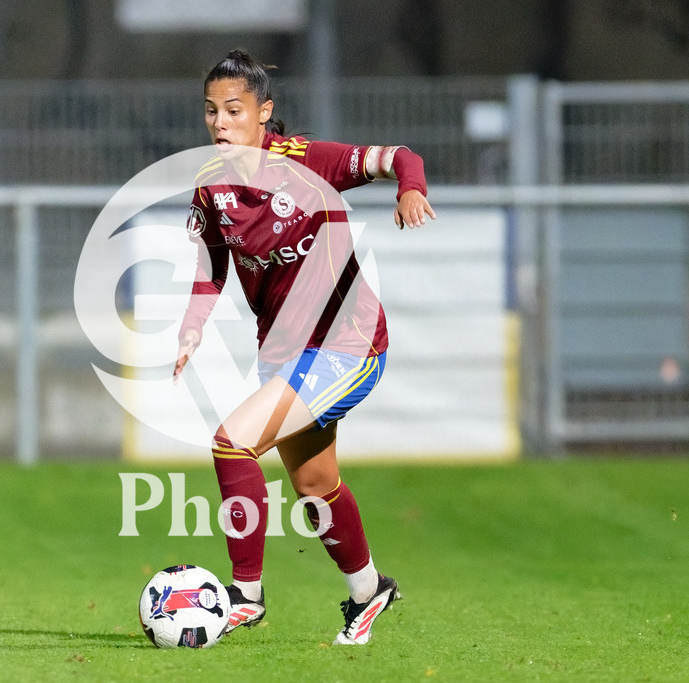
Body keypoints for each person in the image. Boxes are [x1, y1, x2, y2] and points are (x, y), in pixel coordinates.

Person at [173, 49, 436, 645]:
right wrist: (192, 326)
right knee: (315, 486)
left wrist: (410, 189)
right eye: (211, 111)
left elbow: (400, 157)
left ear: (264, 113)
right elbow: (211, 265)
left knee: (232, 443)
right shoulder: (211, 185)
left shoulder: (305, 162)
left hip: (348, 344)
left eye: (234, 110)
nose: (219, 123)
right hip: (285, 352)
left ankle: (246, 597)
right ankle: (370, 592)